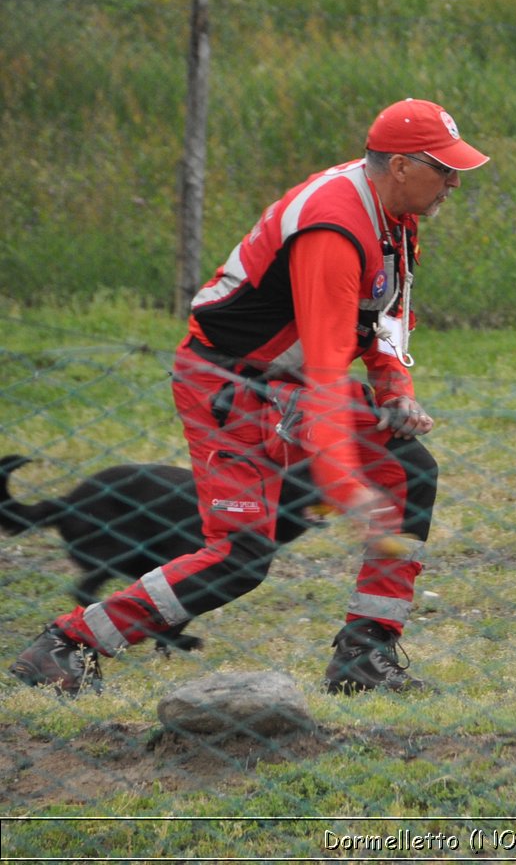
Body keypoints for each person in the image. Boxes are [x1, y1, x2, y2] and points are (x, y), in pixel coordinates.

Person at [10, 98, 490, 696]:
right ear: (398, 166)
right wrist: (345, 488)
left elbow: (388, 310)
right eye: (444, 170)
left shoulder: (394, 216)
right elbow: (321, 371)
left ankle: (365, 653)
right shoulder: (334, 229)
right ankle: (69, 643)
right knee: (238, 561)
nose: (453, 182)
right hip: (228, 385)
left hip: (283, 381)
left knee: (409, 469)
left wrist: (395, 390)